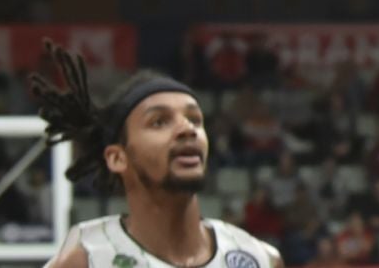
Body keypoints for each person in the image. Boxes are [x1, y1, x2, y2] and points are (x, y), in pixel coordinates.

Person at [28, 42, 284, 268]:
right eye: (159, 122)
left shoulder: (258, 259)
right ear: (117, 158)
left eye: (195, 119)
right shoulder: (86, 258)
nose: (187, 129)